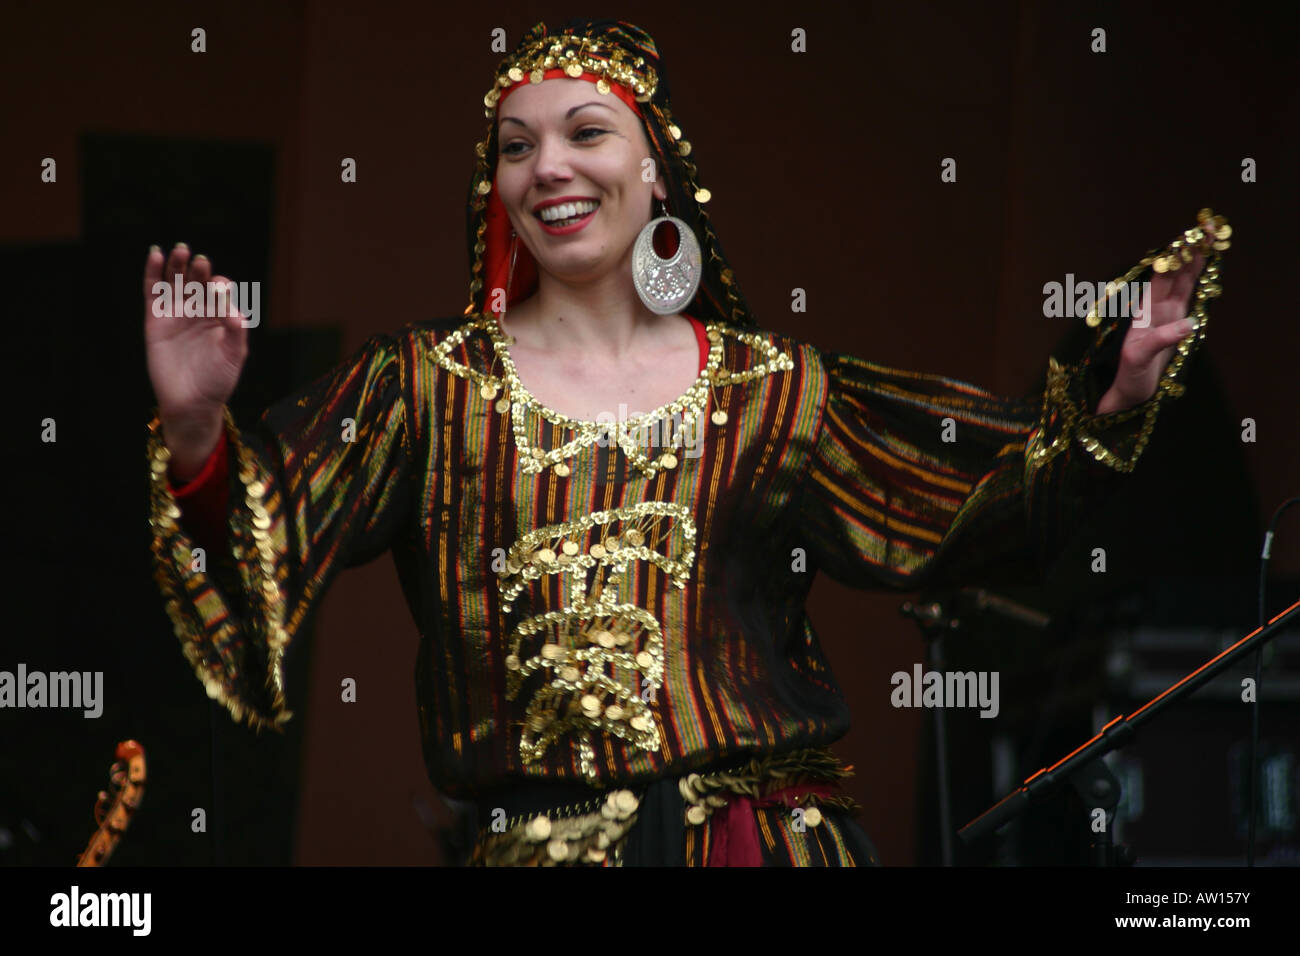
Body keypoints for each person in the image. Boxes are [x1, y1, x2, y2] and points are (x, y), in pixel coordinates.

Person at [143, 18, 1228, 866]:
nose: (548, 167)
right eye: (516, 146)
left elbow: (973, 494)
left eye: (585, 132)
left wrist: (1115, 392)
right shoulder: (422, 386)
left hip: (765, 844)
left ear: (656, 169)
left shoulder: (771, 388)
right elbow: (264, 531)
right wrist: (197, 427)